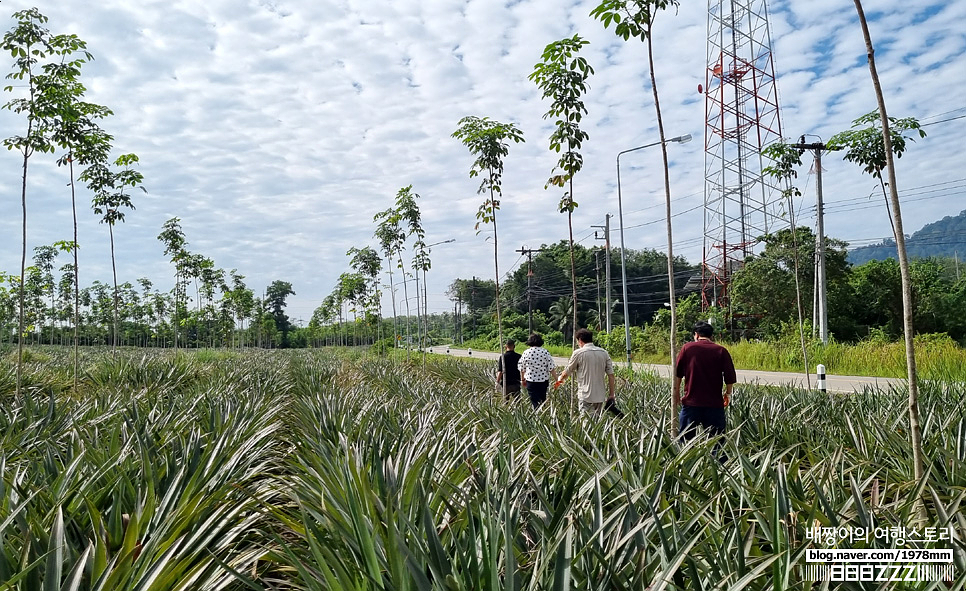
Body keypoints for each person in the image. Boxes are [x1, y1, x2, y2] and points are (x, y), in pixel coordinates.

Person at [673, 320, 737, 441]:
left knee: (686, 441)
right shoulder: (721, 350)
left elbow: (678, 373)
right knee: (717, 442)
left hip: (691, 403)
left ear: (696, 334)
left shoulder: (687, 348)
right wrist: (727, 393)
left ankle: (688, 460)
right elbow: (730, 377)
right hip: (714, 404)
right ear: (711, 336)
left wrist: (676, 393)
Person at [555, 328, 616, 415]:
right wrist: (611, 394)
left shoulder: (578, 353)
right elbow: (611, 375)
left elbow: (567, 371)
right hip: (600, 395)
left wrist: (559, 380)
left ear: (580, 340)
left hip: (585, 394)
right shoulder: (604, 353)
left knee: (586, 422)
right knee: (596, 422)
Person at [517, 333, 557, 409]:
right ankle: (543, 415)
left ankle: (536, 416)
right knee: (543, 399)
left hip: (531, 380)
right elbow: (551, 368)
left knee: (534, 400)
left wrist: (522, 379)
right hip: (543, 380)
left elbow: (522, 368)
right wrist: (557, 380)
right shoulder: (545, 352)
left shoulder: (526, 352)